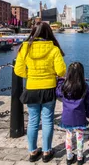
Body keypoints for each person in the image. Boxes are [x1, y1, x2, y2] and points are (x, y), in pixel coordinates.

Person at [14, 22, 66, 163]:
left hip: (31, 88)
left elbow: (18, 70)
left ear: (34, 32)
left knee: (32, 121)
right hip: (49, 88)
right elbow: (61, 71)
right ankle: (47, 152)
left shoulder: (25, 48)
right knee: (48, 120)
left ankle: (33, 152)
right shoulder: (53, 48)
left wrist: (31, 75)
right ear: (49, 33)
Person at [56, 62, 89, 165]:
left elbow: (57, 92)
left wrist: (59, 80)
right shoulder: (84, 86)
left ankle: (69, 157)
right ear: (81, 73)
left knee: (68, 136)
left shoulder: (64, 86)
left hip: (67, 118)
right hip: (80, 117)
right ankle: (80, 157)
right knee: (79, 137)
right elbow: (88, 102)